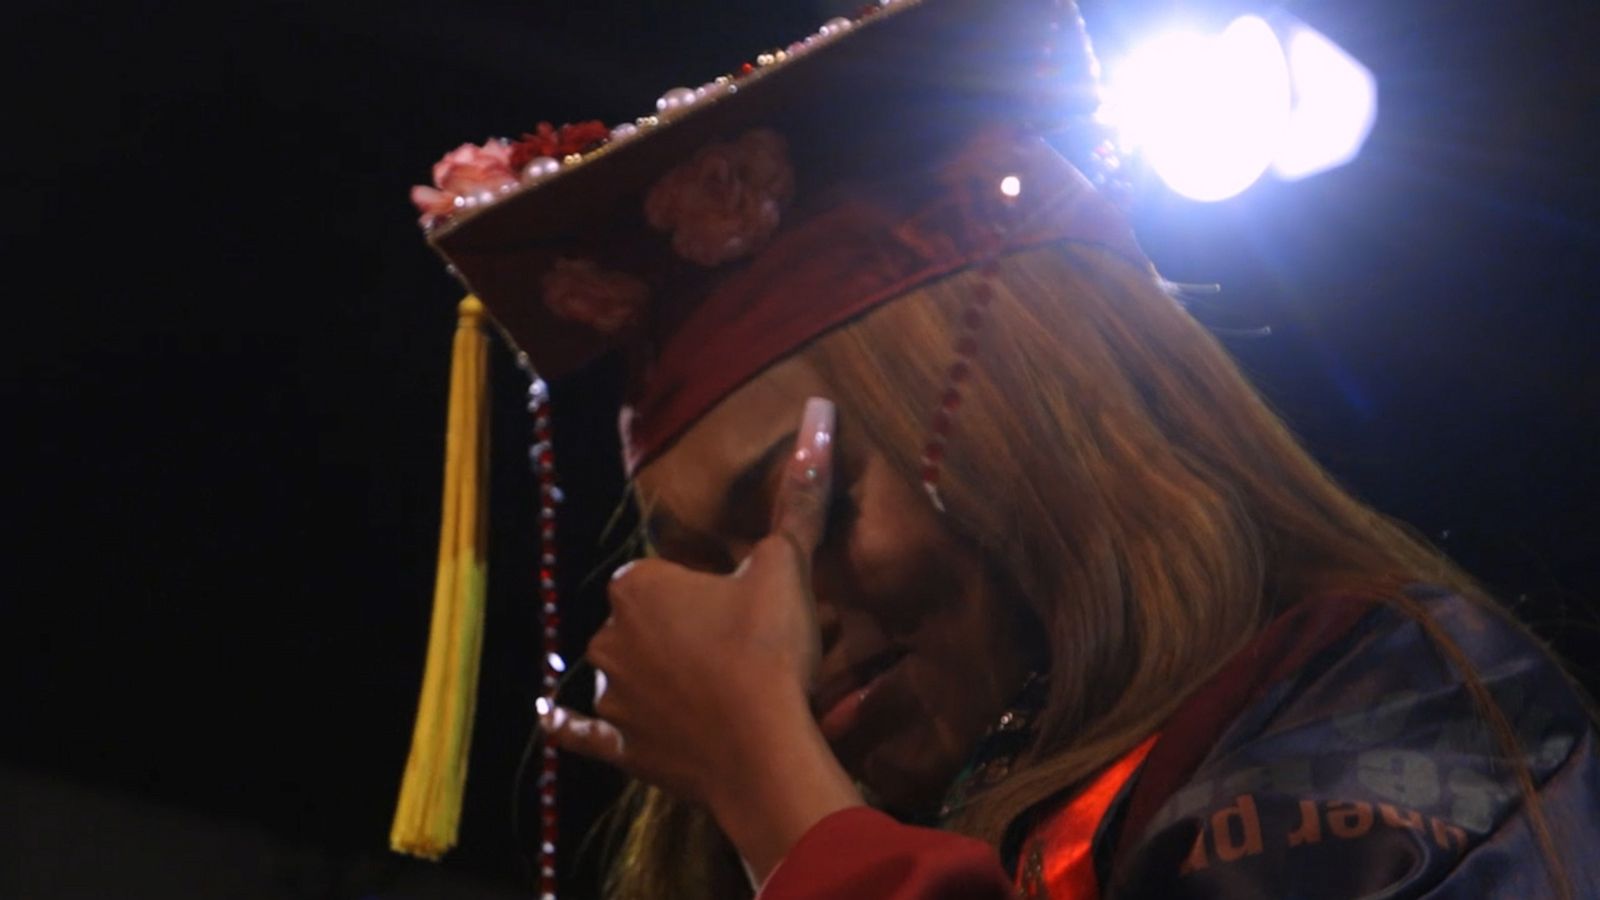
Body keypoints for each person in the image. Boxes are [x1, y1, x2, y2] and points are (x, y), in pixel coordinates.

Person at [397, 0, 1600, 896]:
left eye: (803, 504)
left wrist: (786, 806)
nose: (767, 622)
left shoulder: (1387, 713)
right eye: (706, 565)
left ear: (1026, 423)